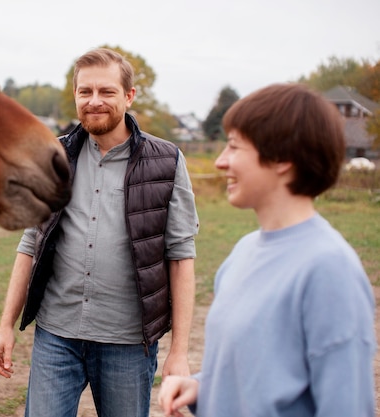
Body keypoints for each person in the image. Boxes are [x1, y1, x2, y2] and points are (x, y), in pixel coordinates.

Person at [0, 47, 199, 417]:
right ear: (75, 96)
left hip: (129, 344)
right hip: (56, 335)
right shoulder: (52, 157)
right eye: (85, 92)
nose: (94, 101)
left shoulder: (167, 161)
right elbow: (29, 245)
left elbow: (180, 257)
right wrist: (6, 326)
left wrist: (179, 351)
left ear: (129, 96)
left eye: (107, 91)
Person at [158, 83, 377, 417]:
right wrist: (201, 386)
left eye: (234, 147)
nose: (220, 161)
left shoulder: (331, 271)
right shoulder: (243, 253)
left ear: (282, 159)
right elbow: (259, 371)